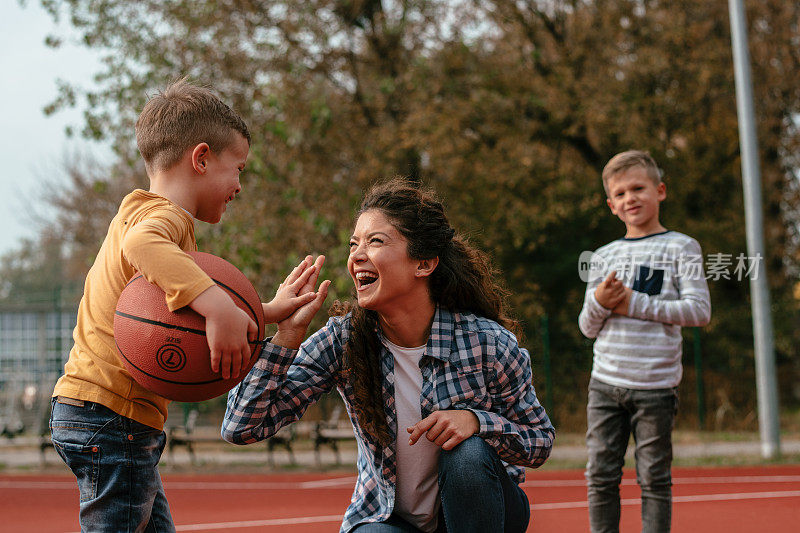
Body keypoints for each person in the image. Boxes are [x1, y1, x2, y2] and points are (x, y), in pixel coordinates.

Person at [50, 78, 319, 531]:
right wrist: (217, 306)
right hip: (115, 416)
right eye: (239, 169)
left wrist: (264, 311)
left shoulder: (136, 210)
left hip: (99, 411)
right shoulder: (161, 220)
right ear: (201, 158)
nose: (239, 185)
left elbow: (172, 311)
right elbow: (143, 244)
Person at [223, 179, 555, 533]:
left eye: (375, 241)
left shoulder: (486, 343)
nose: (356, 255)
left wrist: (476, 423)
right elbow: (241, 428)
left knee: (467, 455)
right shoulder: (345, 339)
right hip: (390, 519)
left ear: (424, 263)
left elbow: (539, 441)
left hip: (487, 512)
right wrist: (286, 337)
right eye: (354, 244)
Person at [578, 150, 712, 533]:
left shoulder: (681, 247)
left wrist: (633, 303)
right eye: (620, 194)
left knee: (654, 479)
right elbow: (587, 327)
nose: (630, 198)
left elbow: (699, 311)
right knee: (600, 476)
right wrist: (601, 304)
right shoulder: (603, 256)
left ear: (660, 191)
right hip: (605, 385)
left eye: (638, 188)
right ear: (611, 205)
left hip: (656, 387)